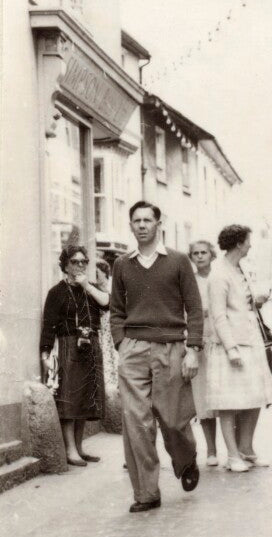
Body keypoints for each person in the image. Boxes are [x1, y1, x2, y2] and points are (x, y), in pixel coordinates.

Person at [110, 201, 202, 513]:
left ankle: (186, 459)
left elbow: (195, 308)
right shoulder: (122, 265)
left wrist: (194, 350)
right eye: (136, 220)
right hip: (134, 348)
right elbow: (116, 310)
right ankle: (146, 493)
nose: (142, 225)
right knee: (136, 422)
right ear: (131, 225)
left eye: (148, 220)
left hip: (171, 347)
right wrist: (121, 343)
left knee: (173, 421)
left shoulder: (177, 261)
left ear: (158, 223)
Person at [206, 224, 272, 472]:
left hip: (251, 341)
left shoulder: (239, 268)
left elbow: (241, 304)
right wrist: (231, 348)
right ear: (238, 243)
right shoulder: (219, 274)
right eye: (248, 241)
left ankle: (246, 448)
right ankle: (233, 455)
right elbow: (218, 315)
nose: (250, 245)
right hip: (232, 346)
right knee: (229, 402)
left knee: (255, 397)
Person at [40, 245, 108, 466]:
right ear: (65, 265)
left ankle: (79, 447)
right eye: (75, 262)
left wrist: (87, 285)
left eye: (83, 262)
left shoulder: (90, 288)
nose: (80, 266)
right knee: (70, 398)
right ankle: (70, 449)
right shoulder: (57, 292)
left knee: (85, 397)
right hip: (69, 345)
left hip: (90, 345)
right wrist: (45, 354)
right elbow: (48, 326)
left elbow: (107, 303)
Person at [189, 240, 219, 466]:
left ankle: (237, 449)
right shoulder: (189, 281)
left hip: (222, 341)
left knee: (226, 395)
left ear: (212, 255)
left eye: (204, 253)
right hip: (200, 341)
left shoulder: (220, 276)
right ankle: (211, 450)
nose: (200, 256)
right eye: (195, 253)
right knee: (204, 399)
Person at [95, 258, 117, 388]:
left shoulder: (111, 287)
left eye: (97, 272)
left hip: (109, 327)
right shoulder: (96, 288)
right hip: (102, 329)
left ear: (104, 273)